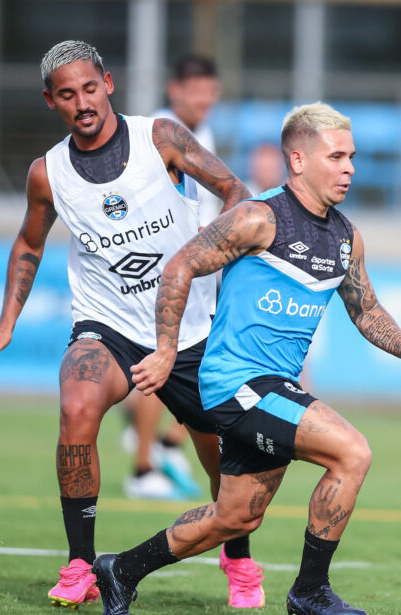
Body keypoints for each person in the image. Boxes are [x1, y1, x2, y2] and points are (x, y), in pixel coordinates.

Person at [92, 102, 401, 615]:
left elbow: (365, 308)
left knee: (235, 518)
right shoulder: (259, 217)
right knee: (352, 453)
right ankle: (310, 590)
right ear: (298, 160)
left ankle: (120, 570)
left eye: (352, 157)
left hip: (272, 389)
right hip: (237, 384)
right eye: (338, 156)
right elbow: (180, 265)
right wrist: (167, 350)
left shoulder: (345, 237)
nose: (350, 167)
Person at [0, 40, 266, 611]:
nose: (81, 102)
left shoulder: (160, 138)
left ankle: (238, 560)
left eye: (88, 88)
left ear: (108, 83)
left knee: (217, 454)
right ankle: (81, 564)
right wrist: (7, 323)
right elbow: (29, 242)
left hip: (187, 330)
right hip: (105, 326)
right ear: (49, 101)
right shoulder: (47, 174)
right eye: (66, 94)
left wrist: (223, 256)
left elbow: (235, 191)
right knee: (76, 405)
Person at [122, 53, 226, 501]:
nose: (203, 97)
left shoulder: (204, 134)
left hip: (202, 268)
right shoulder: (156, 134)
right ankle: (144, 466)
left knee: (196, 363)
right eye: (195, 89)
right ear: (175, 90)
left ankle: (167, 444)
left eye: (209, 89)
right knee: (160, 361)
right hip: (167, 270)